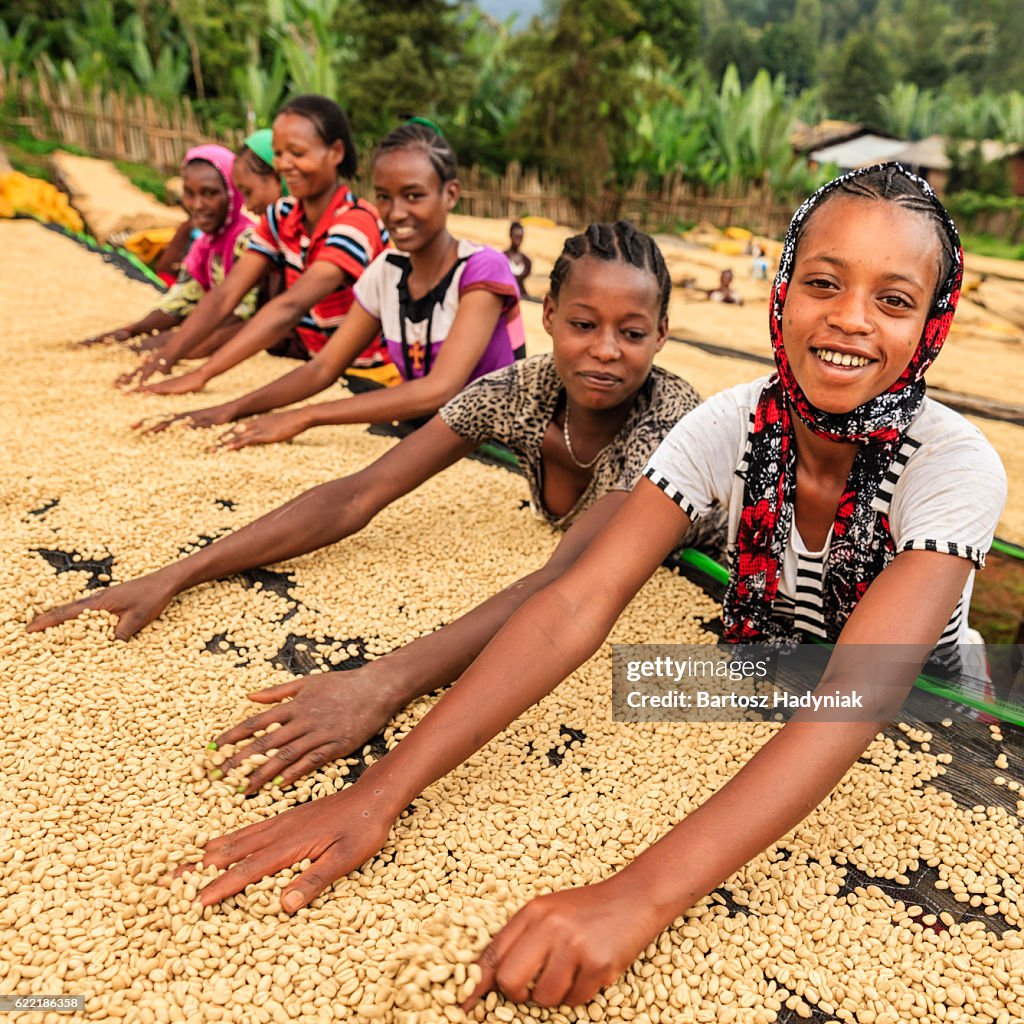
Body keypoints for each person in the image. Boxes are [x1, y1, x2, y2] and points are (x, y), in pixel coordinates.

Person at [146, 166, 1003, 1015]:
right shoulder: (731, 424)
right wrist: (383, 790)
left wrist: (637, 897)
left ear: (932, 323)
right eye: (824, 283)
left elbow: (858, 695)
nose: (851, 319)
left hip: (917, 724)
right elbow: (574, 600)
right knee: (643, 685)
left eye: (894, 301)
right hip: (769, 673)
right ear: (783, 292)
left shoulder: (953, 466)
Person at [29, 223, 717, 768]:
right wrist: (179, 572)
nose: (605, 350)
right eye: (583, 324)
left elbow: (565, 581)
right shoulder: (518, 392)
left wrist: (381, 682)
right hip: (586, 571)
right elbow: (360, 493)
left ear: (661, 335)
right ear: (549, 317)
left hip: (754, 585)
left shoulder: (669, 419)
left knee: (659, 687)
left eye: (632, 333)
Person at [137, 122, 527, 450]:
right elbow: (324, 367)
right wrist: (234, 407)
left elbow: (439, 390)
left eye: (414, 196)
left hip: (494, 442)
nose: (396, 213)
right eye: (385, 198)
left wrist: (307, 416)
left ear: (451, 194)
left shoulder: (481, 269)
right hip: (430, 433)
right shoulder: (387, 272)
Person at [121, 95, 389, 390]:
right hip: (317, 366)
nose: (285, 165)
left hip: (369, 372)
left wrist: (202, 374)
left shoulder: (355, 223)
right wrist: (165, 359)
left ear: (336, 152)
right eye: (279, 153)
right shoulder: (281, 217)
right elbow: (226, 294)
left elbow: (291, 307)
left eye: (297, 153)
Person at [76, 145, 257, 350]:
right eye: (189, 193)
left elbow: (242, 316)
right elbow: (179, 302)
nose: (197, 205)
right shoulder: (205, 245)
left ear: (234, 192)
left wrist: (171, 342)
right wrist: (129, 331)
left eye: (210, 193)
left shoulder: (248, 242)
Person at [504, 220, 533, 298]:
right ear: (510, 235)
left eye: (520, 237)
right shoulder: (503, 257)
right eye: (516, 236)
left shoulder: (527, 261)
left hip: (522, 296)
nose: (518, 240)